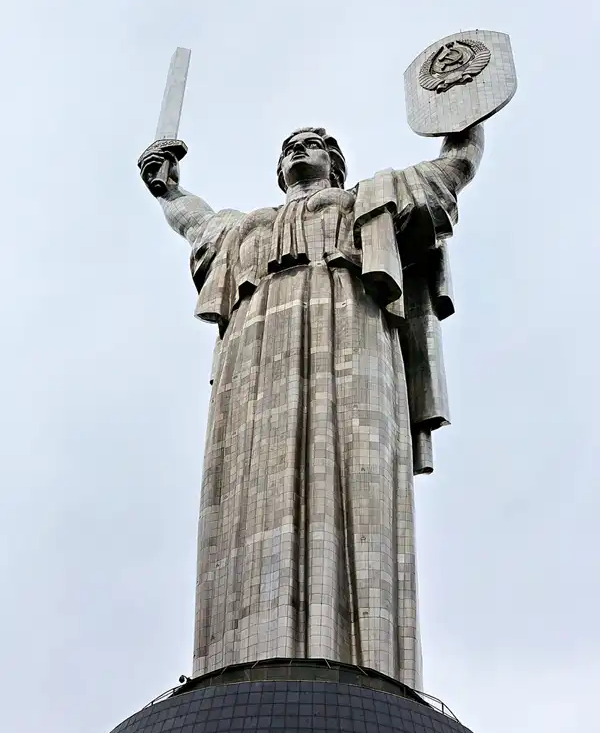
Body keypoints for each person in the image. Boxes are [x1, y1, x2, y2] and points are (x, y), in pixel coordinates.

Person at [138, 123, 483, 689]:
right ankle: (238, 665)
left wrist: (464, 118)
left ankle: (365, 665)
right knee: (248, 486)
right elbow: (195, 223)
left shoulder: (369, 202)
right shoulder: (246, 228)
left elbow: (449, 175)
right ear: (279, 170)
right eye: (288, 148)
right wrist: (167, 191)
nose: (298, 152)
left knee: (358, 470)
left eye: (312, 144)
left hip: (352, 328)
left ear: (335, 163)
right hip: (254, 357)